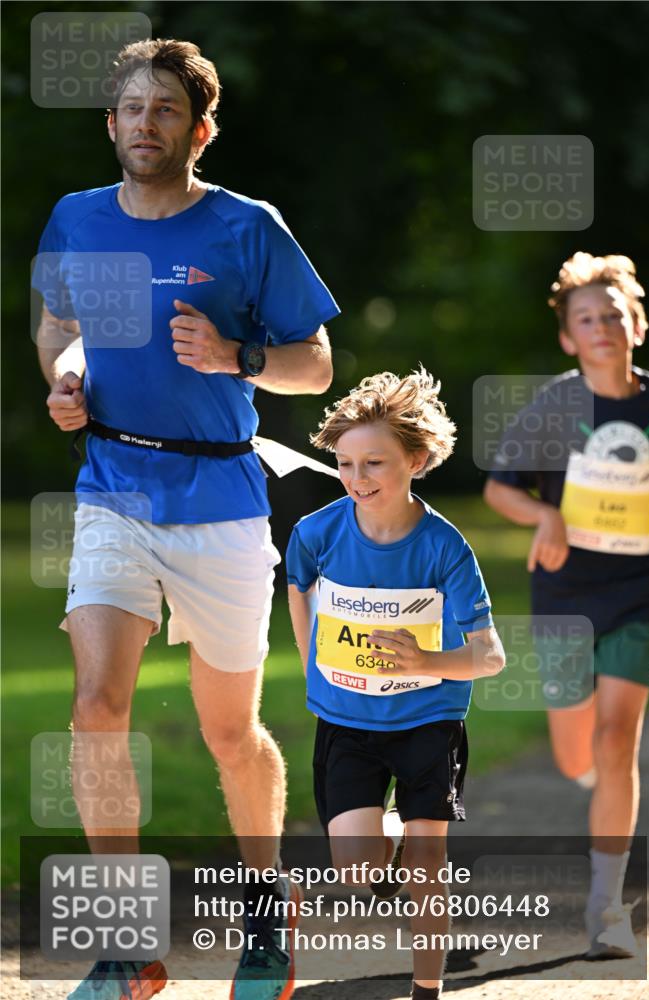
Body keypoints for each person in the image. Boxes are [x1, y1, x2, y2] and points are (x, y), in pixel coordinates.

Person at [32, 38, 339, 1000]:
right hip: (112, 489)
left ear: (199, 129)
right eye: (130, 110)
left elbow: (315, 364)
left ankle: (266, 920)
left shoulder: (247, 228)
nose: (144, 125)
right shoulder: (77, 219)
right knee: (95, 709)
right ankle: (125, 950)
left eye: (164, 111)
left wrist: (236, 356)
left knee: (229, 732)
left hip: (221, 502)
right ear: (110, 124)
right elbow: (57, 326)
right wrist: (66, 380)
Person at [286, 369, 505, 1000]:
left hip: (427, 725)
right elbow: (297, 587)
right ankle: (394, 832)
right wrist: (311, 663)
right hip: (347, 723)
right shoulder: (318, 532)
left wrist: (423, 663)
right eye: (346, 464)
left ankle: (426, 990)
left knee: (427, 868)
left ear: (417, 458)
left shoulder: (446, 548)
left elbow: (488, 656)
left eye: (374, 462)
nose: (357, 479)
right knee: (358, 871)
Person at [483, 252, 649, 958]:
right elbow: (500, 487)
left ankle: (605, 909)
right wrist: (543, 518)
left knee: (616, 739)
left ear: (636, 326)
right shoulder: (554, 405)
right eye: (584, 318)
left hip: (639, 594)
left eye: (612, 314)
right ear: (567, 336)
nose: (600, 327)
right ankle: (587, 771)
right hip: (563, 595)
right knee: (573, 753)